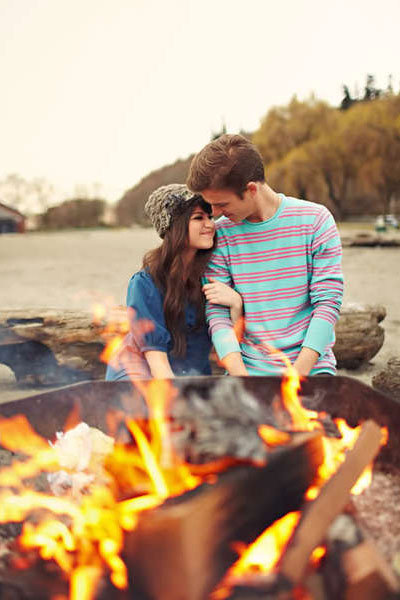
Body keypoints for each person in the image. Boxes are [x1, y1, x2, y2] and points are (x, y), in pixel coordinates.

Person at [187, 134, 344, 377]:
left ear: (251, 189)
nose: (215, 214)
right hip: (247, 371)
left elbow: (328, 303)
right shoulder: (220, 235)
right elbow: (217, 314)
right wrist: (242, 378)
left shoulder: (315, 221)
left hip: (310, 370)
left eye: (222, 204)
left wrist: (297, 376)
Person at [105, 184, 242, 380]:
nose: (210, 224)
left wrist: (236, 304)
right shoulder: (145, 284)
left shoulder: (213, 274)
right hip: (140, 378)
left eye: (210, 217)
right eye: (198, 218)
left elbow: (232, 342)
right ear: (174, 227)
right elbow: (157, 362)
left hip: (191, 376)